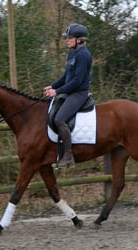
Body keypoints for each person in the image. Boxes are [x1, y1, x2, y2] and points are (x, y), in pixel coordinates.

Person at [44, 23, 92, 168]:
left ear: (79, 39)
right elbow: (66, 77)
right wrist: (53, 86)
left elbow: (77, 81)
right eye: (67, 38)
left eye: (70, 38)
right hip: (70, 91)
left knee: (59, 119)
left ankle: (68, 156)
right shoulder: (72, 53)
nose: (67, 40)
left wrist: (57, 92)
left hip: (79, 93)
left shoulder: (84, 55)